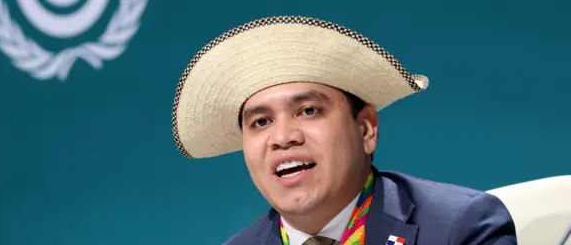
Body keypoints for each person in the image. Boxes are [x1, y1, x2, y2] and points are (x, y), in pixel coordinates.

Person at [171, 15, 517, 245]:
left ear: (366, 128)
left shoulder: (460, 228)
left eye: (308, 111)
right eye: (261, 122)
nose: (283, 137)